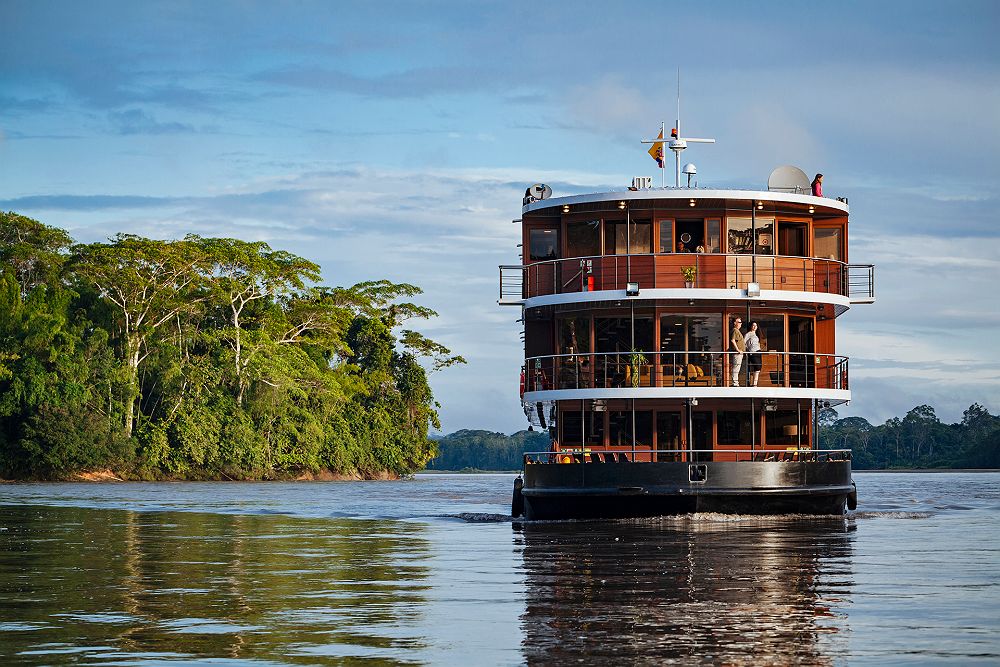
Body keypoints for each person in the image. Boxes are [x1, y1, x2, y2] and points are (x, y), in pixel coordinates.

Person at [744, 322, 762, 387]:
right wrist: (748, 350)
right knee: (757, 367)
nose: (754, 327)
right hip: (753, 352)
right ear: (751, 326)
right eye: (753, 325)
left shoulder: (756, 334)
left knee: (758, 368)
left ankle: (755, 384)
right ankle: (754, 384)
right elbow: (744, 343)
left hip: (758, 352)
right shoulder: (748, 334)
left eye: (756, 325)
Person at [730, 317, 745, 386]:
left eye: (741, 322)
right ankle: (735, 383)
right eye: (739, 322)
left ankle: (736, 382)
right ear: (735, 323)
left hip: (739, 353)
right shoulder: (735, 330)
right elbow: (732, 340)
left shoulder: (737, 331)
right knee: (736, 368)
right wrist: (738, 350)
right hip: (737, 353)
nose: (740, 324)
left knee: (737, 368)